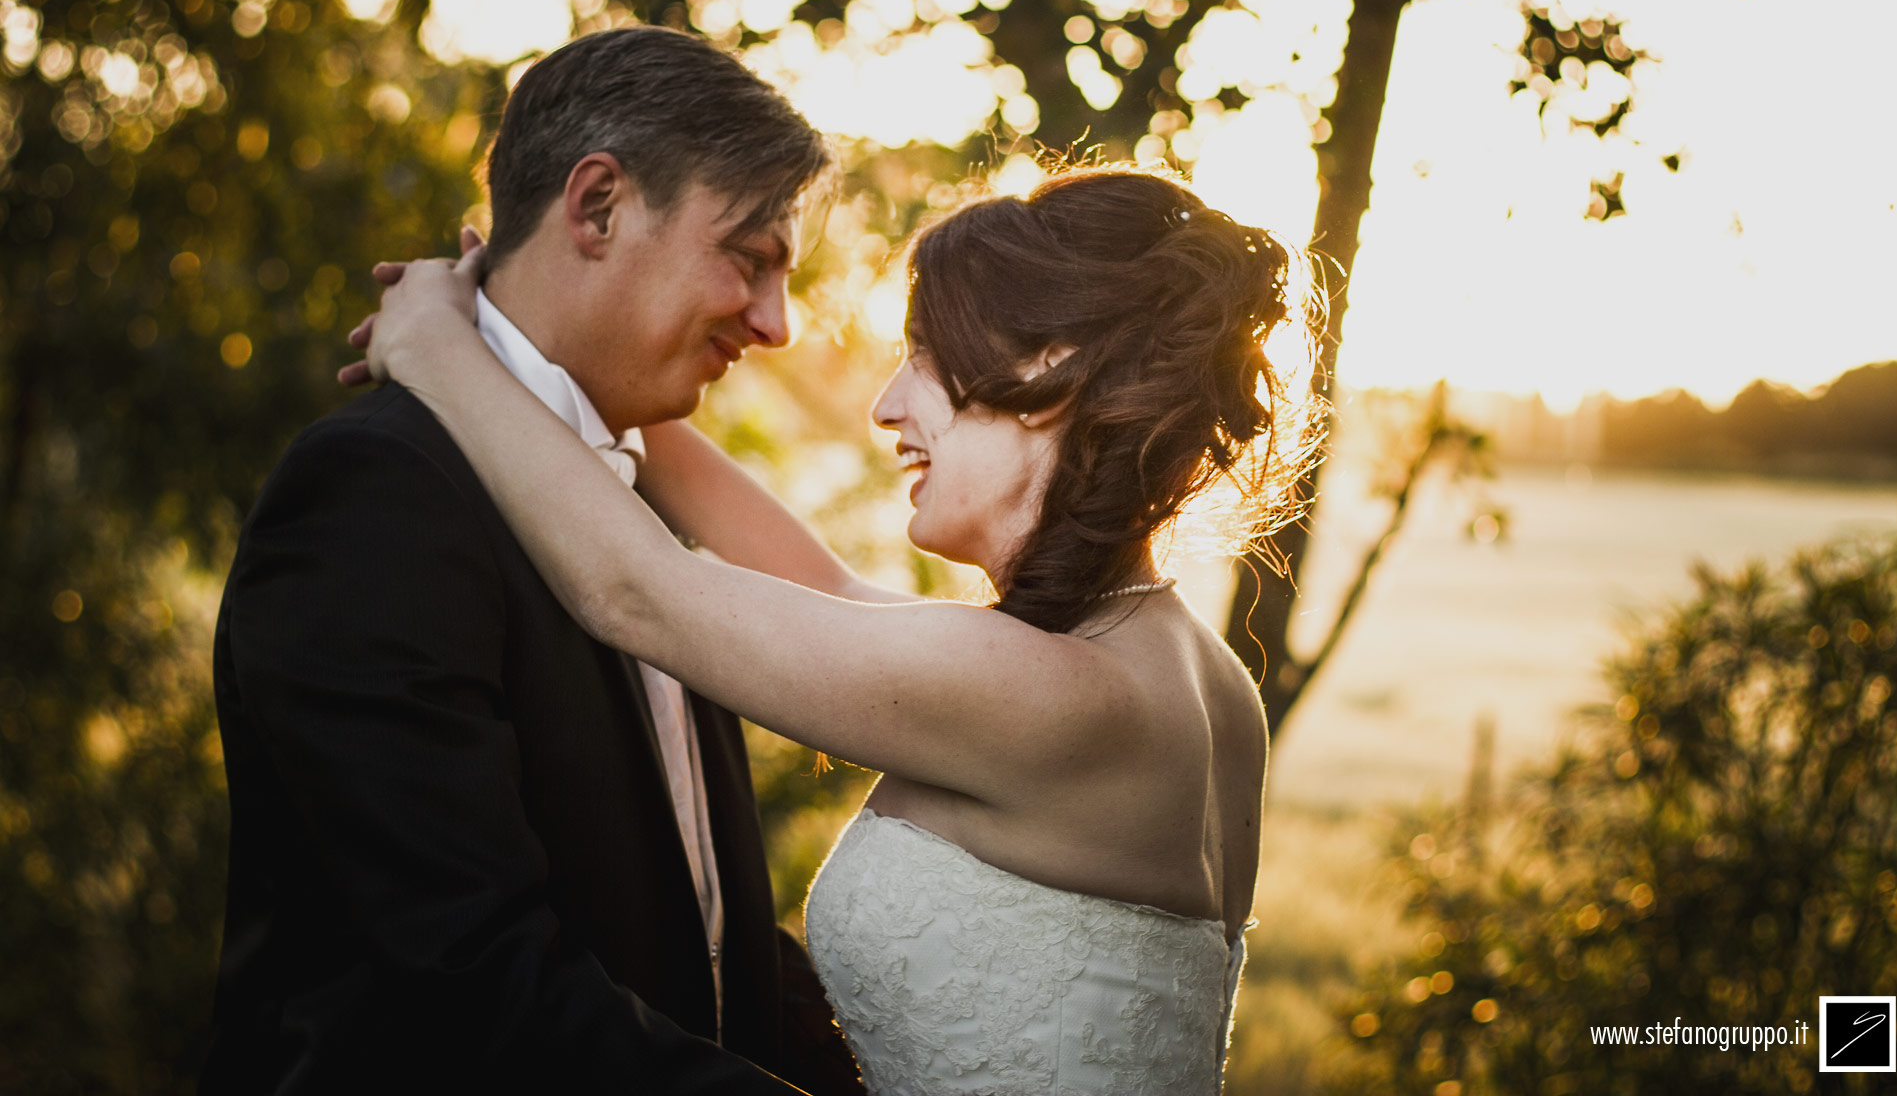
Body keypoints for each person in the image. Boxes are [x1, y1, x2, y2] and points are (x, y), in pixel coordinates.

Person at [352, 164, 1321, 1093]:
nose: (885, 403)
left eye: (927, 358)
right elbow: (818, 581)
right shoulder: (1186, 673)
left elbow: (635, 591)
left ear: (1048, 364)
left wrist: (435, 345)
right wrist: (547, 344)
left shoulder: (1051, 691)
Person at [200, 26, 864, 1094]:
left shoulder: (636, 501)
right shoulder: (375, 496)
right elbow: (466, 982)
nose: (778, 323)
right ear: (596, 205)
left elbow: (705, 921)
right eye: (749, 258)